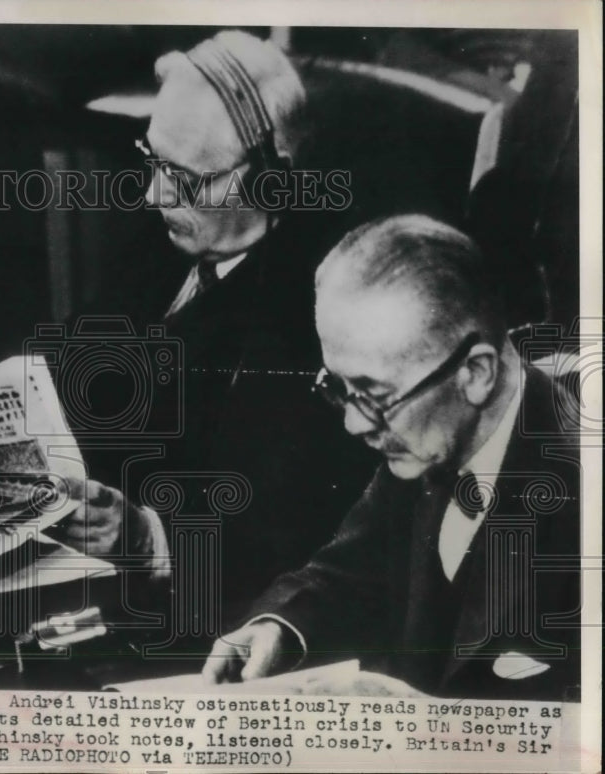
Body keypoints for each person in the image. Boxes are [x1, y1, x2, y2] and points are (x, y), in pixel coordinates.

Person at [55, 30, 372, 635]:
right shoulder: (175, 236)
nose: (155, 193)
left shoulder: (319, 310)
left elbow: (292, 531)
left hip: (202, 619)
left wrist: (148, 536)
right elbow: (70, 362)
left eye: (186, 176)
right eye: (153, 161)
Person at [202, 214, 581, 700]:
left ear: (476, 373)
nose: (353, 423)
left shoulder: (582, 492)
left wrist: (428, 723)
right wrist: (279, 626)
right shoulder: (425, 443)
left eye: (375, 395)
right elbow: (351, 571)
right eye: (339, 387)